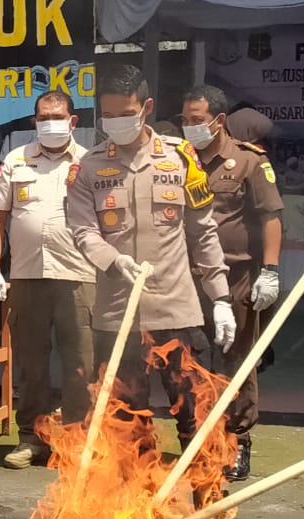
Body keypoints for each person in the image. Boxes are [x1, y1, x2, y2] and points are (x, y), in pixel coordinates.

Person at [66, 65, 235, 447]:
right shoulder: (88, 167)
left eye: (126, 114)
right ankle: (135, 506)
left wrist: (221, 297)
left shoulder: (181, 159)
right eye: (108, 116)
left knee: (196, 415)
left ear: (146, 107)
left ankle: (207, 503)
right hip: (117, 314)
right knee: (127, 425)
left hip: (177, 311)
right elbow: (83, 231)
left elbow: (202, 232)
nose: (117, 122)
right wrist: (112, 258)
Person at [0, 91, 97, 470]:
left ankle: (78, 440)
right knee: (31, 364)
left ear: (72, 121)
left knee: (80, 363)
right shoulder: (16, 162)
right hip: (27, 277)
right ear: (34, 122)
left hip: (79, 276)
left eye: (57, 116)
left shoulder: (91, 163)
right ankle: (31, 437)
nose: (50, 122)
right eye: (43, 116)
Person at [179, 85, 284, 480]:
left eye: (197, 120)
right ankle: (197, 440)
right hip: (187, 279)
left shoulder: (248, 161)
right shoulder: (177, 160)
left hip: (237, 277)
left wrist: (270, 271)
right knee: (188, 362)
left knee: (235, 361)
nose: (190, 127)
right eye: (185, 120)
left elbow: (270, 216)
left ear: (218, 120)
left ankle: (237, 440)